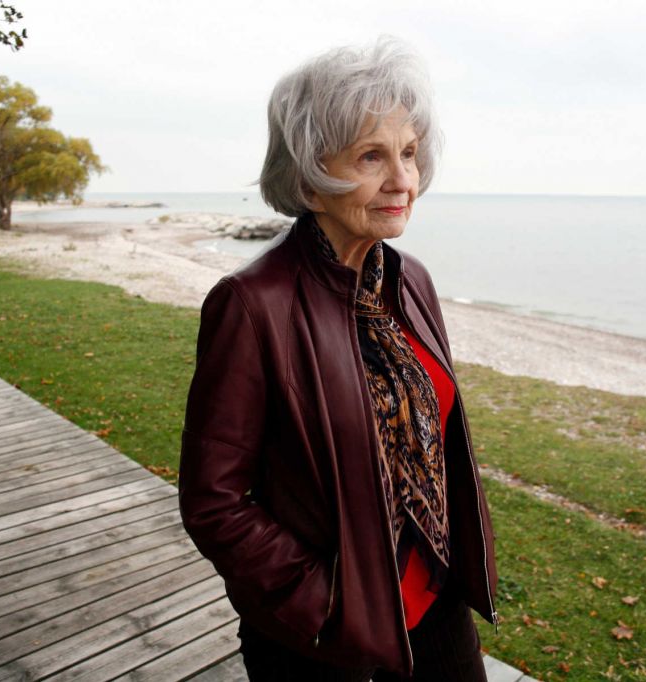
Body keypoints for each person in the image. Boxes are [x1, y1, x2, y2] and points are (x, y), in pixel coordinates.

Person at [178, 36, 498, 681]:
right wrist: (320, 604)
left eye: (408, 153)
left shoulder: (411, 281)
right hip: (324, 637)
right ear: (309, 177)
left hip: (436, 602)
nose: (403, 180)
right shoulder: (250, 303)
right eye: (371, 156)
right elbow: (214, 499)